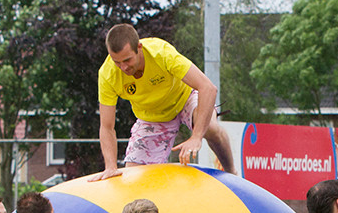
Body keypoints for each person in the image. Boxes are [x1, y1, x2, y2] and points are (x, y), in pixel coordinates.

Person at [90, 23, 236, 181]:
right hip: (153, 116)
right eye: (117, 62)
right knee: (133, 176)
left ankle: (232, 175)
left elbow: (208, 88)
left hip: (184, 98)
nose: (123, 67)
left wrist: (196, 137)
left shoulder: (161, 52)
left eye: (127, 60)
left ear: (139, 47)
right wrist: (110, 166)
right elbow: (107, 126)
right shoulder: (107, 74)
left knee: (210, 128)